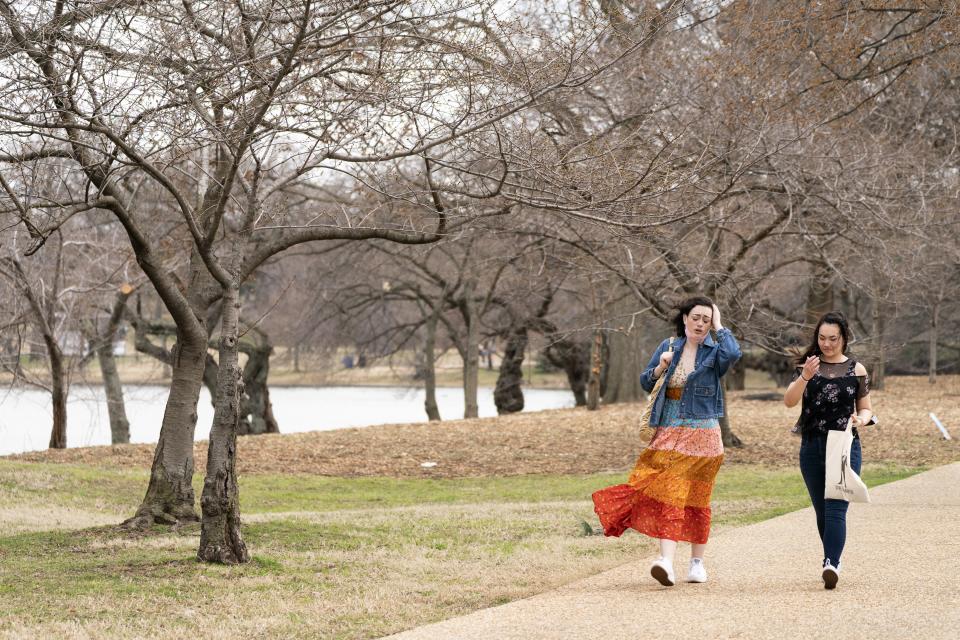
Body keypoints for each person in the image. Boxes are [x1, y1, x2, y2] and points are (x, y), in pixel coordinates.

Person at [592, 296, 741, 586]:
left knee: (698, 498)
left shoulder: (715, 352)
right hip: (669, 431)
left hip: (703, 436)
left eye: (706, 320)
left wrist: (720, 324)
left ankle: (696, 563)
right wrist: (661, 367)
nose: (700, 323)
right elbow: (646, 381)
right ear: (684, 318)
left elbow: (733, 354)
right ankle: (666, 562)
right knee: (668, 493)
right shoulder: (668, 346)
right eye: (696, 317)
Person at [783, 311, 874, 590]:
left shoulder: (856, 369)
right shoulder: (807, 366)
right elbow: (789, 401)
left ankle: (831, 563)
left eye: (833, 338)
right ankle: (831, 560)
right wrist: (805, 377)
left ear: (844, 338)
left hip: (844, 445)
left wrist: (863, 419)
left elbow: (867, 407)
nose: (827, 344)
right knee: (822, 510)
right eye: (822, 338)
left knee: (836, 507)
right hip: (811, 445)